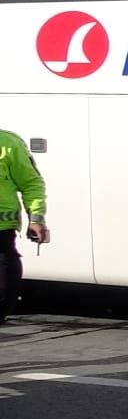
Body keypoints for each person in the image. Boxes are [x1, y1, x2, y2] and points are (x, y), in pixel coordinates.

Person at [0, 127, 48, 324]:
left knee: (2, 293)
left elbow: (31, 184)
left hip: (1, 234)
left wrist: (36, 219)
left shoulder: (8, 144)